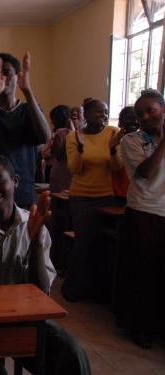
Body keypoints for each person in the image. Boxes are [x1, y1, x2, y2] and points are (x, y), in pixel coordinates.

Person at [0, 153, 91, 375]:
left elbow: (42, 293)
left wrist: (34, 241)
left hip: (26, 318)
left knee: (71, 354)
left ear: (15, 181)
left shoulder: (33, 224)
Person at [0, 52, 51, 208]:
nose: (2, 79)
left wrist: (27, 91)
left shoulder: (29, 109)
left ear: (17, 77)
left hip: (23, 194)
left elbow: (45, 137)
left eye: (6, 73)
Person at [116, 89, 165, 349]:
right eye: (140, 113)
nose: (145, 117)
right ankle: (140, 326)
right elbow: (145, 172)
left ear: (162, 109)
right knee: (142, 273)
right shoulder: (132, 141)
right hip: (143, 211)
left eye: (151, 111)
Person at [61, 99, 123, 302]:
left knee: (100, 245)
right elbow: (75, 169)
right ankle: (72, 288)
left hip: (106, 197)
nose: (103, 116)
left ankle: (95, 289)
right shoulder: (73, 136)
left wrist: (113, 150)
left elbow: (115, 167)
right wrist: (80, 148)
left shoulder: (112, 133)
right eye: (99, 112)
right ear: (86, 115)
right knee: (83, 244)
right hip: (81, 197)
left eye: (105, 112)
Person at [112, 106, 139, 204]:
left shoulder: (142, 140)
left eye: (136, 119)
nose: (133, 122)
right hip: (118, 191)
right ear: (120, 122)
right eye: (129, 119)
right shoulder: (114, 139)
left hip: (135, 192)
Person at [46, 105, 73, 193]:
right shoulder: (58, 132)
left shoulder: (61, 133)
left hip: (62, 171)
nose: (52, 122)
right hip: (54, 167)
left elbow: (56, 154)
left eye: (54, 118)